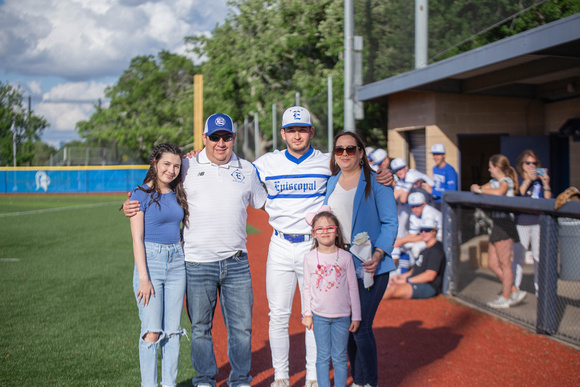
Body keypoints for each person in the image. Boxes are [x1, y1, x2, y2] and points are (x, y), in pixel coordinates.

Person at [252, 106, 394, 387]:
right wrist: (192, 160)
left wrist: (387, 177)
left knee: (316, 314)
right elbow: (233, 169)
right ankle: (281, 376)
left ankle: (314, 377)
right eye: (291, 130)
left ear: (311, 132)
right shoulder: (266, 163)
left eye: (302, 129)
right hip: (279, 243)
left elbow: (358, 171)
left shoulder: (325, 162)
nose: (297, 135)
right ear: (282, 133)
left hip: (315, 248)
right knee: (278, 315)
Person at [124, 114, 267, 387]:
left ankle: (240, 380)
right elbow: (157, 187)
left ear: (233, 138)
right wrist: (131, 202)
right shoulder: (186, 165)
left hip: (236, 262)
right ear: (205, 139)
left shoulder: (247, 169)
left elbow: (263, 202)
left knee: (241, 329)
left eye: (226, 137)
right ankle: (204, 379)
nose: (221, 142)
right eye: (214, 137)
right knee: (200, 328)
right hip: (196, 263)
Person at [322, 131, 397, 387]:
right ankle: (359, 381)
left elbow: (390, 223)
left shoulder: (377, 182)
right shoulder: (332, 182)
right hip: (340, 265)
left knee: (362, 327)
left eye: (350, 149)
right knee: (348, 330)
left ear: (361, 153)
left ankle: (369, 383)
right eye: (339, 149)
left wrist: (378, 254)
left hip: (370, 265)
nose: (344, 154)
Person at [129, 143, 189, 387]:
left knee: (173, 331)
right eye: (166, 164)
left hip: (177, 262)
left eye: (176, 166)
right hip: (151, 264)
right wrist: (144, 278)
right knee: (153, 331)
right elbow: (136, 238)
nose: (171, 170)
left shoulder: (178, 192)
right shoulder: (139, 194)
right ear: (155, 163)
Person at [302, 209, 361, 387]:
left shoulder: (346, 257)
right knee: (322, 357)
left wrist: (356, 316)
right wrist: (307, 314)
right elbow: (306, 288)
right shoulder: (310, 257)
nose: (325, 232)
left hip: (342, 317)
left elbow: (353, 288)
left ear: (337, 231)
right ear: (313, 233)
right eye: (319, 229)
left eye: (329, 228)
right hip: (319, 317)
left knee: (340, 357)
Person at [470, 154, 526, 309]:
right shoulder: (494, 182)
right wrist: (477, 188)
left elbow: (499, 192)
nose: (489, 169)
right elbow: (479, 187)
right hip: (497, 225)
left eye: (490, 167)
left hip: (505, 224)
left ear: (497, 167)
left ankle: (506, 296)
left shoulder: (505, 181)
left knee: (505, 264)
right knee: (492, 264)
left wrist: (480, 190)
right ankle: (514, 290)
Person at [513, 150, 552, 297]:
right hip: (522, 222)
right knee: (518, 256)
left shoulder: (539, 181)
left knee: (539, 256)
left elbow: (548, 201)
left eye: (534, 163)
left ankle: (540, 289)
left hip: (538, 222)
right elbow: (517, 196)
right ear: (521, 165)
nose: (531, 166)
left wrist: (546, 183)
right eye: (527, 163)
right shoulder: (517, 179)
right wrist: (527, 180)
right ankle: (514, 287)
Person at [382, 218, 445, 300]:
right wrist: (398, 277)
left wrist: (407, 280)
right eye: (421, 230)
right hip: (415, 281)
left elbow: (430, 276)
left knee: (394, 289)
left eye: (427, 230)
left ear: (434, 232)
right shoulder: (425, 249)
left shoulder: (436, 250)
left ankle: (369, 304)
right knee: (388, 283)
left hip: (428, 286)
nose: (423, 233)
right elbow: (414, 271)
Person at [390, 191, 442, 275]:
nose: (414, 209)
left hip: (440, 239)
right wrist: (400, 240)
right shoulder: (414, 215)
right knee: (400, 244)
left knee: (416, 247)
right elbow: (412, 234)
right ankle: (401, 272)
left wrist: (403, 240)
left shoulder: (429, 213)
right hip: (428, 238)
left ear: (424, 204)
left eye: (417, 206)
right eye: (412, 206)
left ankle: (418, 272)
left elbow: (429, 236)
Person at [426, 144, 458, 209]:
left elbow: (451, 191)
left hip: (446, 203)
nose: (435, 157)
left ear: (444, 155)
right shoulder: (434, 168)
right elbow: (438, 186)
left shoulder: (449, 170)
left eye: (438, 154)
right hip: (435, 202)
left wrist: (432, 191)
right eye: (434, 154)